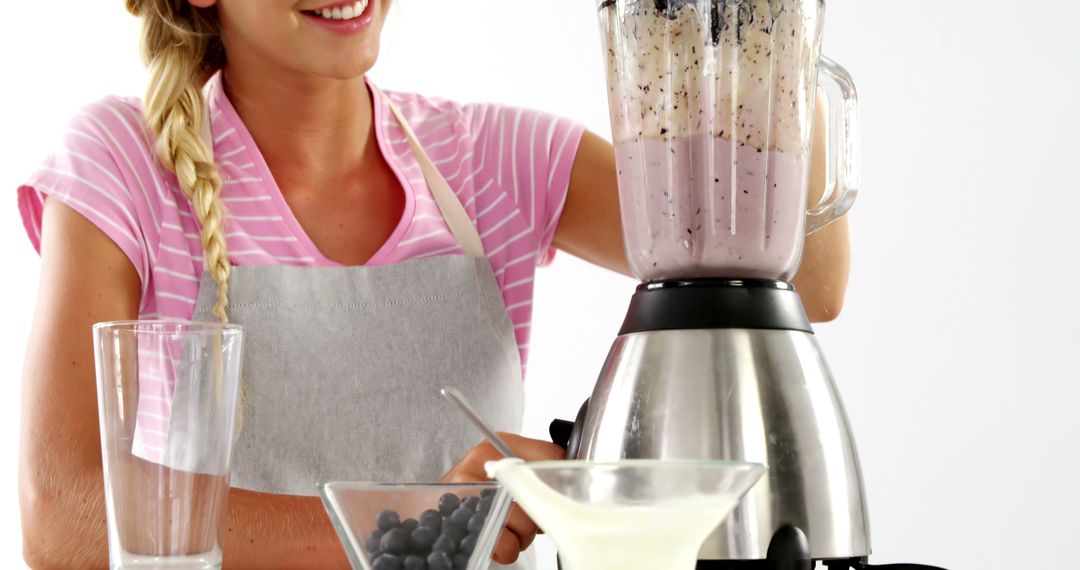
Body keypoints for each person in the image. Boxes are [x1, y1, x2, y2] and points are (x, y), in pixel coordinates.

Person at [16, 0, 850, 567]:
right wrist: (421, 528)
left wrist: (777, 38)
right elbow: (61, 518)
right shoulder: (125, 162)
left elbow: (804, 280)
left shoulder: (493, 160)